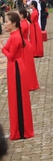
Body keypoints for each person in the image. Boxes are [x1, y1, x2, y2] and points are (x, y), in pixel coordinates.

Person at [2, 11, 34, 140]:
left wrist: (2, 48)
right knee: (14, 98)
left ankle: (21, 130)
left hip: (15, 67)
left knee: (18, 98)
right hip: (13, 67)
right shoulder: (14, 34)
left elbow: (11, 56)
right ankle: (18, 128)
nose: (4, 24)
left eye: (7, 22)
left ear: (14, 23)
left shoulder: (15, 37)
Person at [17, 9, 38, 91]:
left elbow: (20, 34)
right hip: (25, 44)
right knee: (26, 65)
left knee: (27, 66)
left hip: (24, 45)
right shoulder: (23, 22)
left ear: (22, 15)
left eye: (18, 14)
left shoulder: (23, 24)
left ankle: (29, 84)